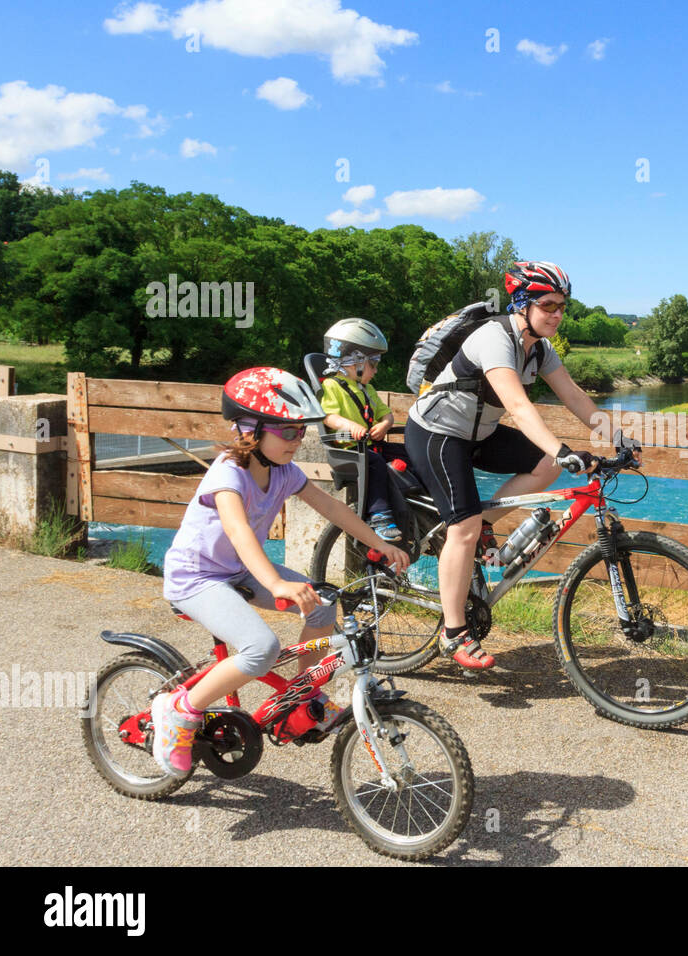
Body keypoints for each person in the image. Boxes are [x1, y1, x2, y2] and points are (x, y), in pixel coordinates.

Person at [154, 367, 410, 775]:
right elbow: (239, 534)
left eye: (301, 432)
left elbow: (332, 508)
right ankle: (180, 710)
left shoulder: (283, 471)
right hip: (197, 577)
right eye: (288, 431)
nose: (298, 440)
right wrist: (276, 584)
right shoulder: (227, 475)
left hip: (238, 570)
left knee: (324, 607)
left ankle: (303, 695)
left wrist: (380, 544)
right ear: (251, 430)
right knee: (261, 648)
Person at [405, 261, 632, 670]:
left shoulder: (539, 348)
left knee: (546, 466)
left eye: (562, 306)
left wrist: (618, 439)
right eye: (548, 305)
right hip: (437, 432)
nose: (558, 314)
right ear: (523, 304)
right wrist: (564, 448)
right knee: (463, 526)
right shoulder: (494, 338)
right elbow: (517, 406)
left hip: (479, 434)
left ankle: (485, 525)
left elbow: (574, 396)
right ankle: (453, 632)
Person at [317, 318, 409, 541]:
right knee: (375, 463)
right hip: (349, 448)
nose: (376, 370)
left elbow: (386, 413)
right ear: (354, 362)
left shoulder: (367, 389)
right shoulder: (331, 386)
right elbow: (328, 416)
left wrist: (384, 424)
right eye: (373, 363)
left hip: (370, 445)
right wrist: (350, 426)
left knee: (410, 453)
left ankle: (415, 504)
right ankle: (380, 515)